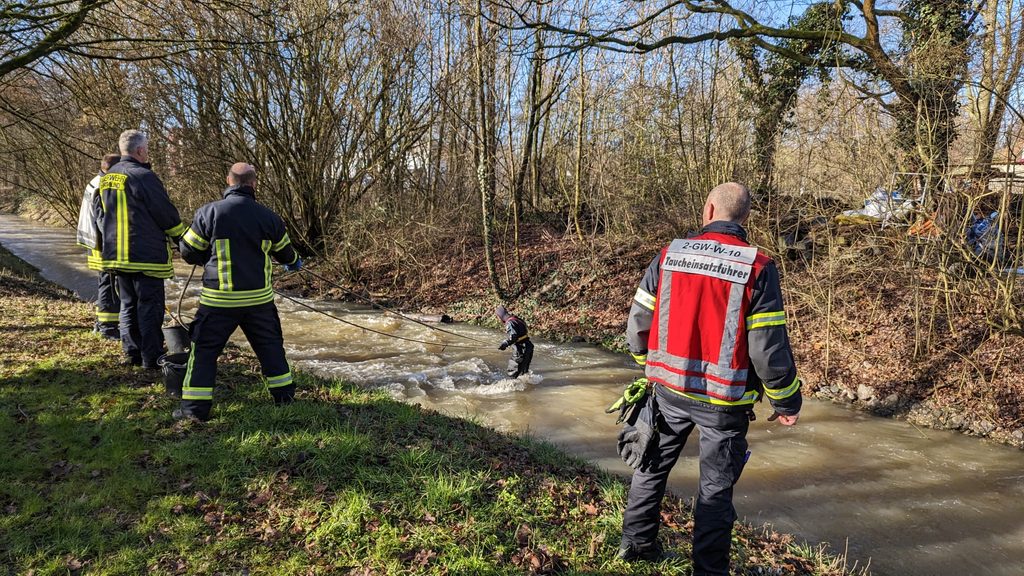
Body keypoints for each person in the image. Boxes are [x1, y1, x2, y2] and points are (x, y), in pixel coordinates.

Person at [617, 182, 802, 574]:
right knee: (715, 492)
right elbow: (767, 347)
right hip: (724, 402)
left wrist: (646, 363)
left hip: (668, 390)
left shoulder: (670, 254)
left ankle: (636, 546)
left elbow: (638, 322)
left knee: (650, 468)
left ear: (709, 210)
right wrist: (786, 400)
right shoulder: (758, 267)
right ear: (745, 217)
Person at [175, 162, 301, 421]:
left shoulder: (209, 213)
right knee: (271, 349)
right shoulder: (269, 217)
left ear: (228, 181)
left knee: (204, 352)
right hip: (259, 301)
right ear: (254, 184)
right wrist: (295, 262)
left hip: (218, 301)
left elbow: (188, 251)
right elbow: (286, 254)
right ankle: (285, 400)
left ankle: (194, 411)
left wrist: (206, 255)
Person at [94, 130, 185, 369]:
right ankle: (151, 358)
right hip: (145, 255)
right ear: (140, 150)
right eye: (147, 149)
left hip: (117, 256)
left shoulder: (107, 177)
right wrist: (182, 239)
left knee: (127, 305)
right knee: (149, 308)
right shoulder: (144, 176)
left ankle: (131, 353)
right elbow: (165, 213)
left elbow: (102, 215)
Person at [76, 153, 122, 339]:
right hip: (102, 245)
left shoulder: (96, 181)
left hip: (95, 243)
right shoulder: (103, 186)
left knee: (106, 284)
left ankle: (101, 324)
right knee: (109, 286)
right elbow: (104, 222)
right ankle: (107, 328)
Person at [496, 306, 533, 378]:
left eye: (498, 316)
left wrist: (505, 343)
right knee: (523, 373)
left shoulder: (510, 323)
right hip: (528, 347)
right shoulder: (517, 319)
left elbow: (513, 337)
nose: (498, 318)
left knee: (512, 373)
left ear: (501, 315)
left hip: (520, 350)